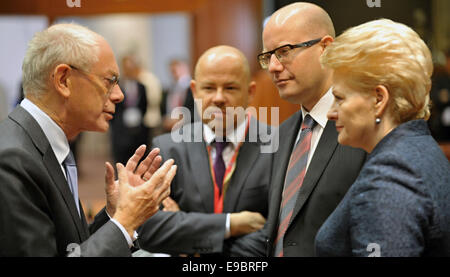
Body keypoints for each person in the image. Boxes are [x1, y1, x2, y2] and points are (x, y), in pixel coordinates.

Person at [0, 23, 177, 257]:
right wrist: (124, 223)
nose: (119, 94)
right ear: (64, 80)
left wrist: (114, 215)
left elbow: (70, 247)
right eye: (109, 80)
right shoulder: (12, 159)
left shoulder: (46, 142)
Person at [225, 2, 366, 257]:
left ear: (326, 48)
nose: (274, 67)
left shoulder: (364, 129)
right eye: (268, 57)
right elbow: (278, 234)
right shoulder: (283, 134)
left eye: (285, 51)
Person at [315, 19, 450, 257]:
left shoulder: (391, 174)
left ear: (379, 99)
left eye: (340, 98)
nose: (331, 112)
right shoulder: (420, 148)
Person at [137, 45, 272, 255]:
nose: (218, 98)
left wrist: (186, 233)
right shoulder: (167, 148)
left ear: (250, 92)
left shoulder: (277, 146)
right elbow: (148, 230)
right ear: (194, 90)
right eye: (209, 88)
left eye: (230, 88)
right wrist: (230, 224)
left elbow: (275, 237)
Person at [110, 56, 150, 165]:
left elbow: (144, 106)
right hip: (121, 131)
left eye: (132, 66)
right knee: (121, 163)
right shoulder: (117, 86)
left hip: (138, 131)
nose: (129, 69)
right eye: (127, 67)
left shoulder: (141, 87)